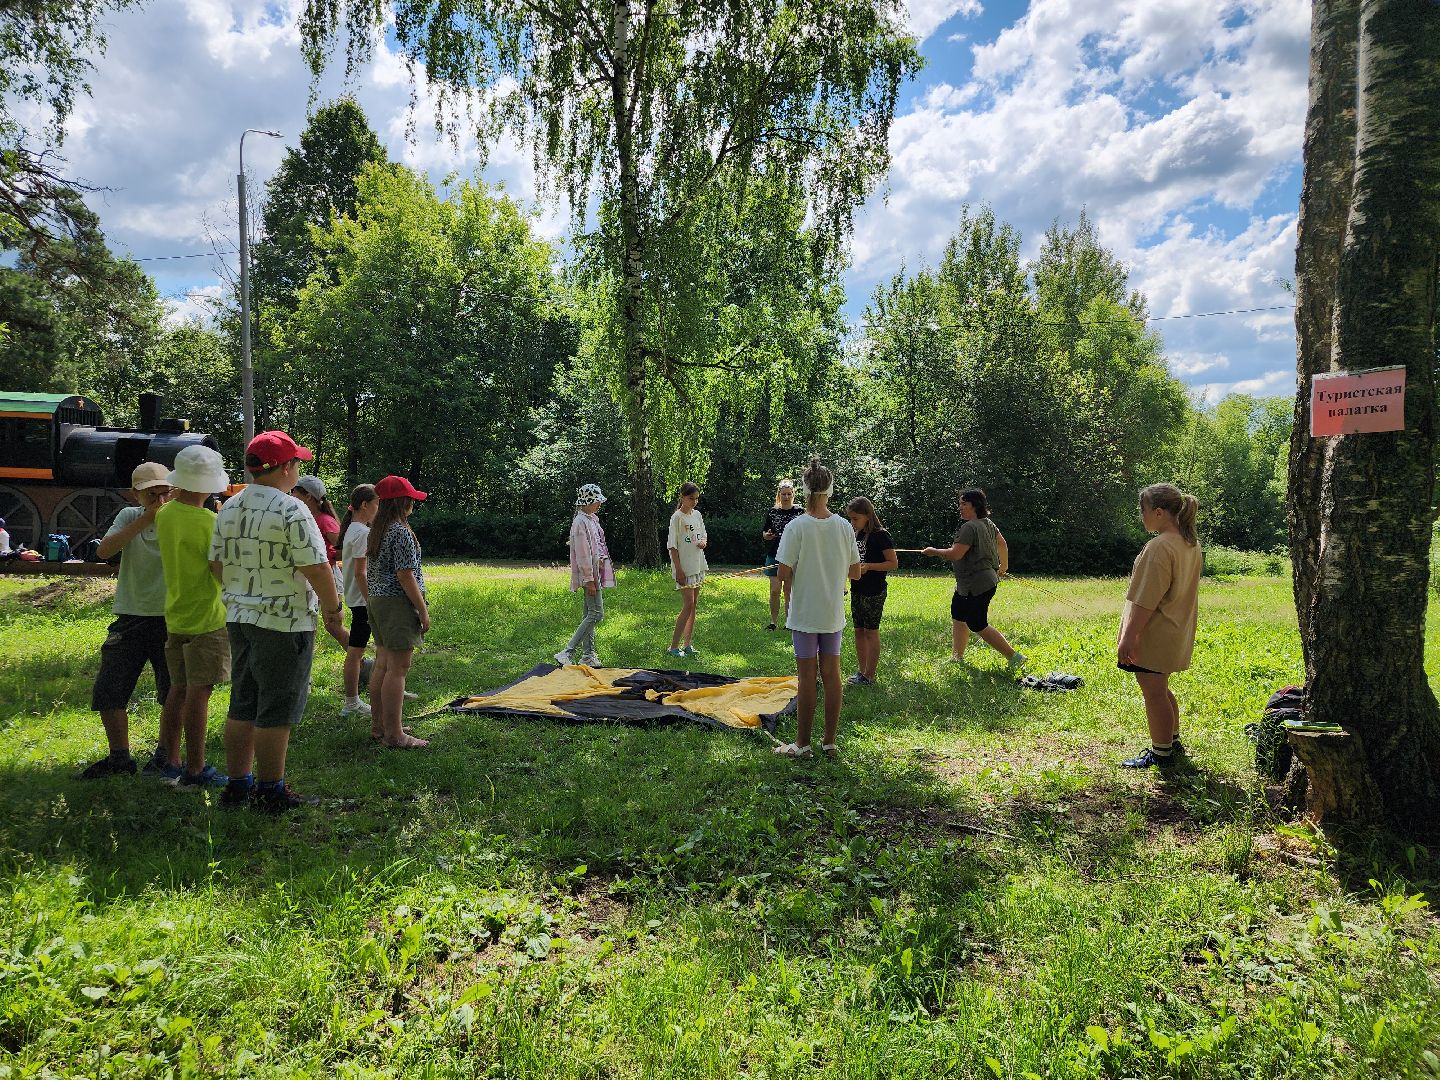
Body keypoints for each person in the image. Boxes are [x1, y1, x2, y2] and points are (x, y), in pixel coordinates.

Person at [210, 430, 348, 812]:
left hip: (239, 617)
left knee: (243, 702)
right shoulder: (292, 509)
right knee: (276, 708)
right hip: (284, 621)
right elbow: (317, 567)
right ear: (286, 467)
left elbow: (216, 564)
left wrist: (243, 591)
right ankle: (271, 790)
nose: (298, 469)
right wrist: (334, 608)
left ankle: (238, 784)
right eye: (297, 463)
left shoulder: (230, 506)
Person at [79, 462, 175, 779]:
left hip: (171, 619)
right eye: (152, 495)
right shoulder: (129, 517)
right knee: (109, 690)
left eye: (166, 493)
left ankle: (165, 756)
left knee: (172, 694)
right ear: (135, 495)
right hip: (131, 616)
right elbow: (104, 551)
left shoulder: (181, 519)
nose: (161, 502)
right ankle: (120, 758)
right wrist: (146, 518)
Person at [773, 458, 862, 759]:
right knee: (832, 675)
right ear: (830, 488)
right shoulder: (844, 527)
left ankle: (803, 744)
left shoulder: (796, 527)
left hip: (805, 613)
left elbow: (783, 573)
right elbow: (856, 572)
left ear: (805, 488)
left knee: (807, 677)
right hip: (832, 613)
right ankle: (830, 741)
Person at [155, 444, 231, 788]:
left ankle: (171, 760)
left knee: (178, 689)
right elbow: (220, 571)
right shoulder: (210, 522)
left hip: (176, 613)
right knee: (200, 693)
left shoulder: (164, 513)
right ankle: (196, 770)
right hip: (207, 615)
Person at [1117, 483, 1203, 768]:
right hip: (1175, 629)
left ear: (1158, 513)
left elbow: (1146, 600)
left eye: (1142, 511)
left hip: (1155, 633)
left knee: (1153, 693)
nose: (1141, 516)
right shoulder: (1189, 542)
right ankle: (1172, 742)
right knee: (1161, 689)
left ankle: (1161, 753)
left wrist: (1130, 636)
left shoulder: (1159, 547)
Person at [922, 488, 1027, 669]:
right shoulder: (987, 523)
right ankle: (957, 657)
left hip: (977, 584)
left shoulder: (969, 527)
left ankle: (1014, 657)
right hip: (975, 582)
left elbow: (956, 554)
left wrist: (934, 552)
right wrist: (1004, 566)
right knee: (958, 615)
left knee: (977, 623)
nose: (960, 508)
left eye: (964, 504)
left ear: (975, 506)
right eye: (960, 504)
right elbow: (1002, 543)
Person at [366, 475, 431, 749]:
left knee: (383, 664)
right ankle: (395, 735)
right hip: (396, 604)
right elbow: (406, 576)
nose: (414, 504)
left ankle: (380, 726)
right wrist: (422, 610)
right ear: (403, 502)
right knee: (398, 669)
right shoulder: (401, 531)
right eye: (412, 499)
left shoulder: (378, 529)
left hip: (378, 601)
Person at [556, 483, 614, 668]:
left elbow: (597, 547)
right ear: (587, 501)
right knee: (597, 614)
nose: (599, 503)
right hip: (590, 575)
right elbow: (583, 554)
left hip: (594, 572)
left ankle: (588, 654)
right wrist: (589, 579)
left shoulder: (591, 519)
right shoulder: (580, 522)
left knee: (589, 613)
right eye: (596, 500)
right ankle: (568, 651)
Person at [846, 496, 897, 686]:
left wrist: (869, 566)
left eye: (856, 518)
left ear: (868, 515)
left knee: (870, 631)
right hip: (857, 588)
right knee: (859, 630)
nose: (853, 522)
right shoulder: (856, 534)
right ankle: (862, 671)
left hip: (874, 591)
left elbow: (893, 563)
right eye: (851, 519)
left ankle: (870, 675)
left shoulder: (881, 535)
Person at [338, 484, 378, 723]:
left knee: (373, 648)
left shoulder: (354, 529)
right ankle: (352, 702)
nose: (378, 508)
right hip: (364, 601)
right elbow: (361, 574)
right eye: (376, 503)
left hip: (357, 599)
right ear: (365, 505)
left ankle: (390, 687)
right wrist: (371, 599)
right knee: (355, 653)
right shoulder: (362, 533)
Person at [666, 482, 708, 658]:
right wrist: (679, 571)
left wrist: (703, 543)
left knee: (694, 606)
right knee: (688, 604)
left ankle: (688, 644)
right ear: (682, 497)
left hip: (698, 565)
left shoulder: (697, 515)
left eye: (697, 498)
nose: (694, 502)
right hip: (685, 568)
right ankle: (673, 647)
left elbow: (704, 535)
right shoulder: (677, 518)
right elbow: (672, 547)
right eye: (691, 498)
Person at [761, 480, 804, 630]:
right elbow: (765, 532)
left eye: (789, 494)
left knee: (788, 590)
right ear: (779, 495)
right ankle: (773, 622)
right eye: (783, 494)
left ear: (793, 494)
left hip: (793, 555)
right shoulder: (773, 511)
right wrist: (767, 535)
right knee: (775, 590)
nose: (786, 497)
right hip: (775, 553)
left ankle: (789, 622)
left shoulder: (800, 512)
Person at [292, 474, 342, 570]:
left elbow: (343, 550)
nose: (292, 495)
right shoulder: (303, 518)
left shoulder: (326, 521)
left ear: (308, 496)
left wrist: (328, 558)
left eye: (294, 491)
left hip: (326, 575)